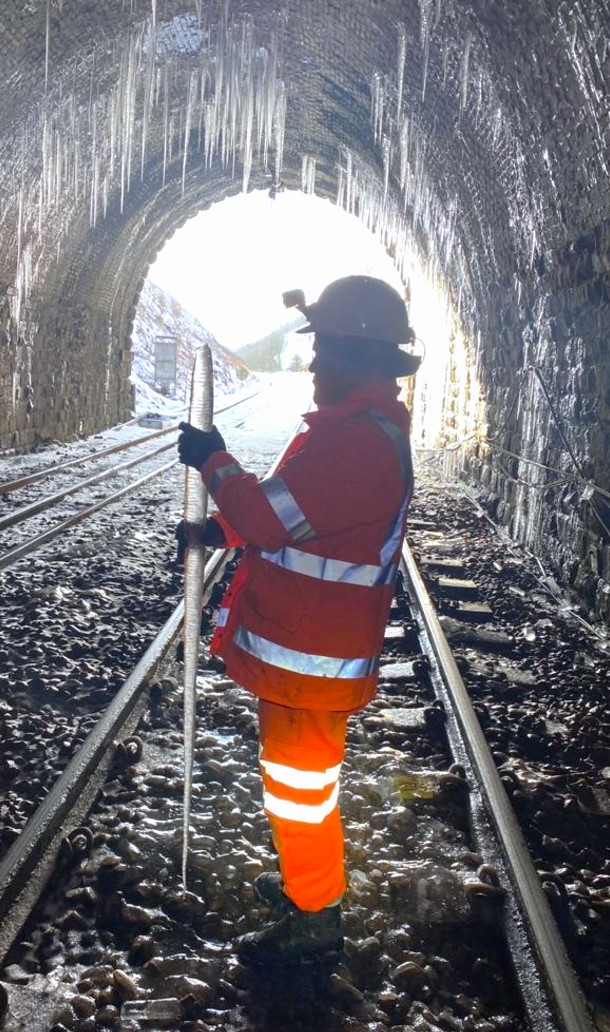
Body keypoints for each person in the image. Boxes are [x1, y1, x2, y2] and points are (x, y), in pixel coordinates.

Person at [173, 275, 419, 968]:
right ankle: (304, 887)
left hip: (313, 662)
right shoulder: (352, 434)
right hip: (304, 655)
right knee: (294, 788)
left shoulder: (361, 445)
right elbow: (296, 519)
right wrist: (221, 532)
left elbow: (268, 515)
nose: (313, 366)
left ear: (357, 355)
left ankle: (313, 922)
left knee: (301, 794)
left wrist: (216, 461)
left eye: (323, 351)